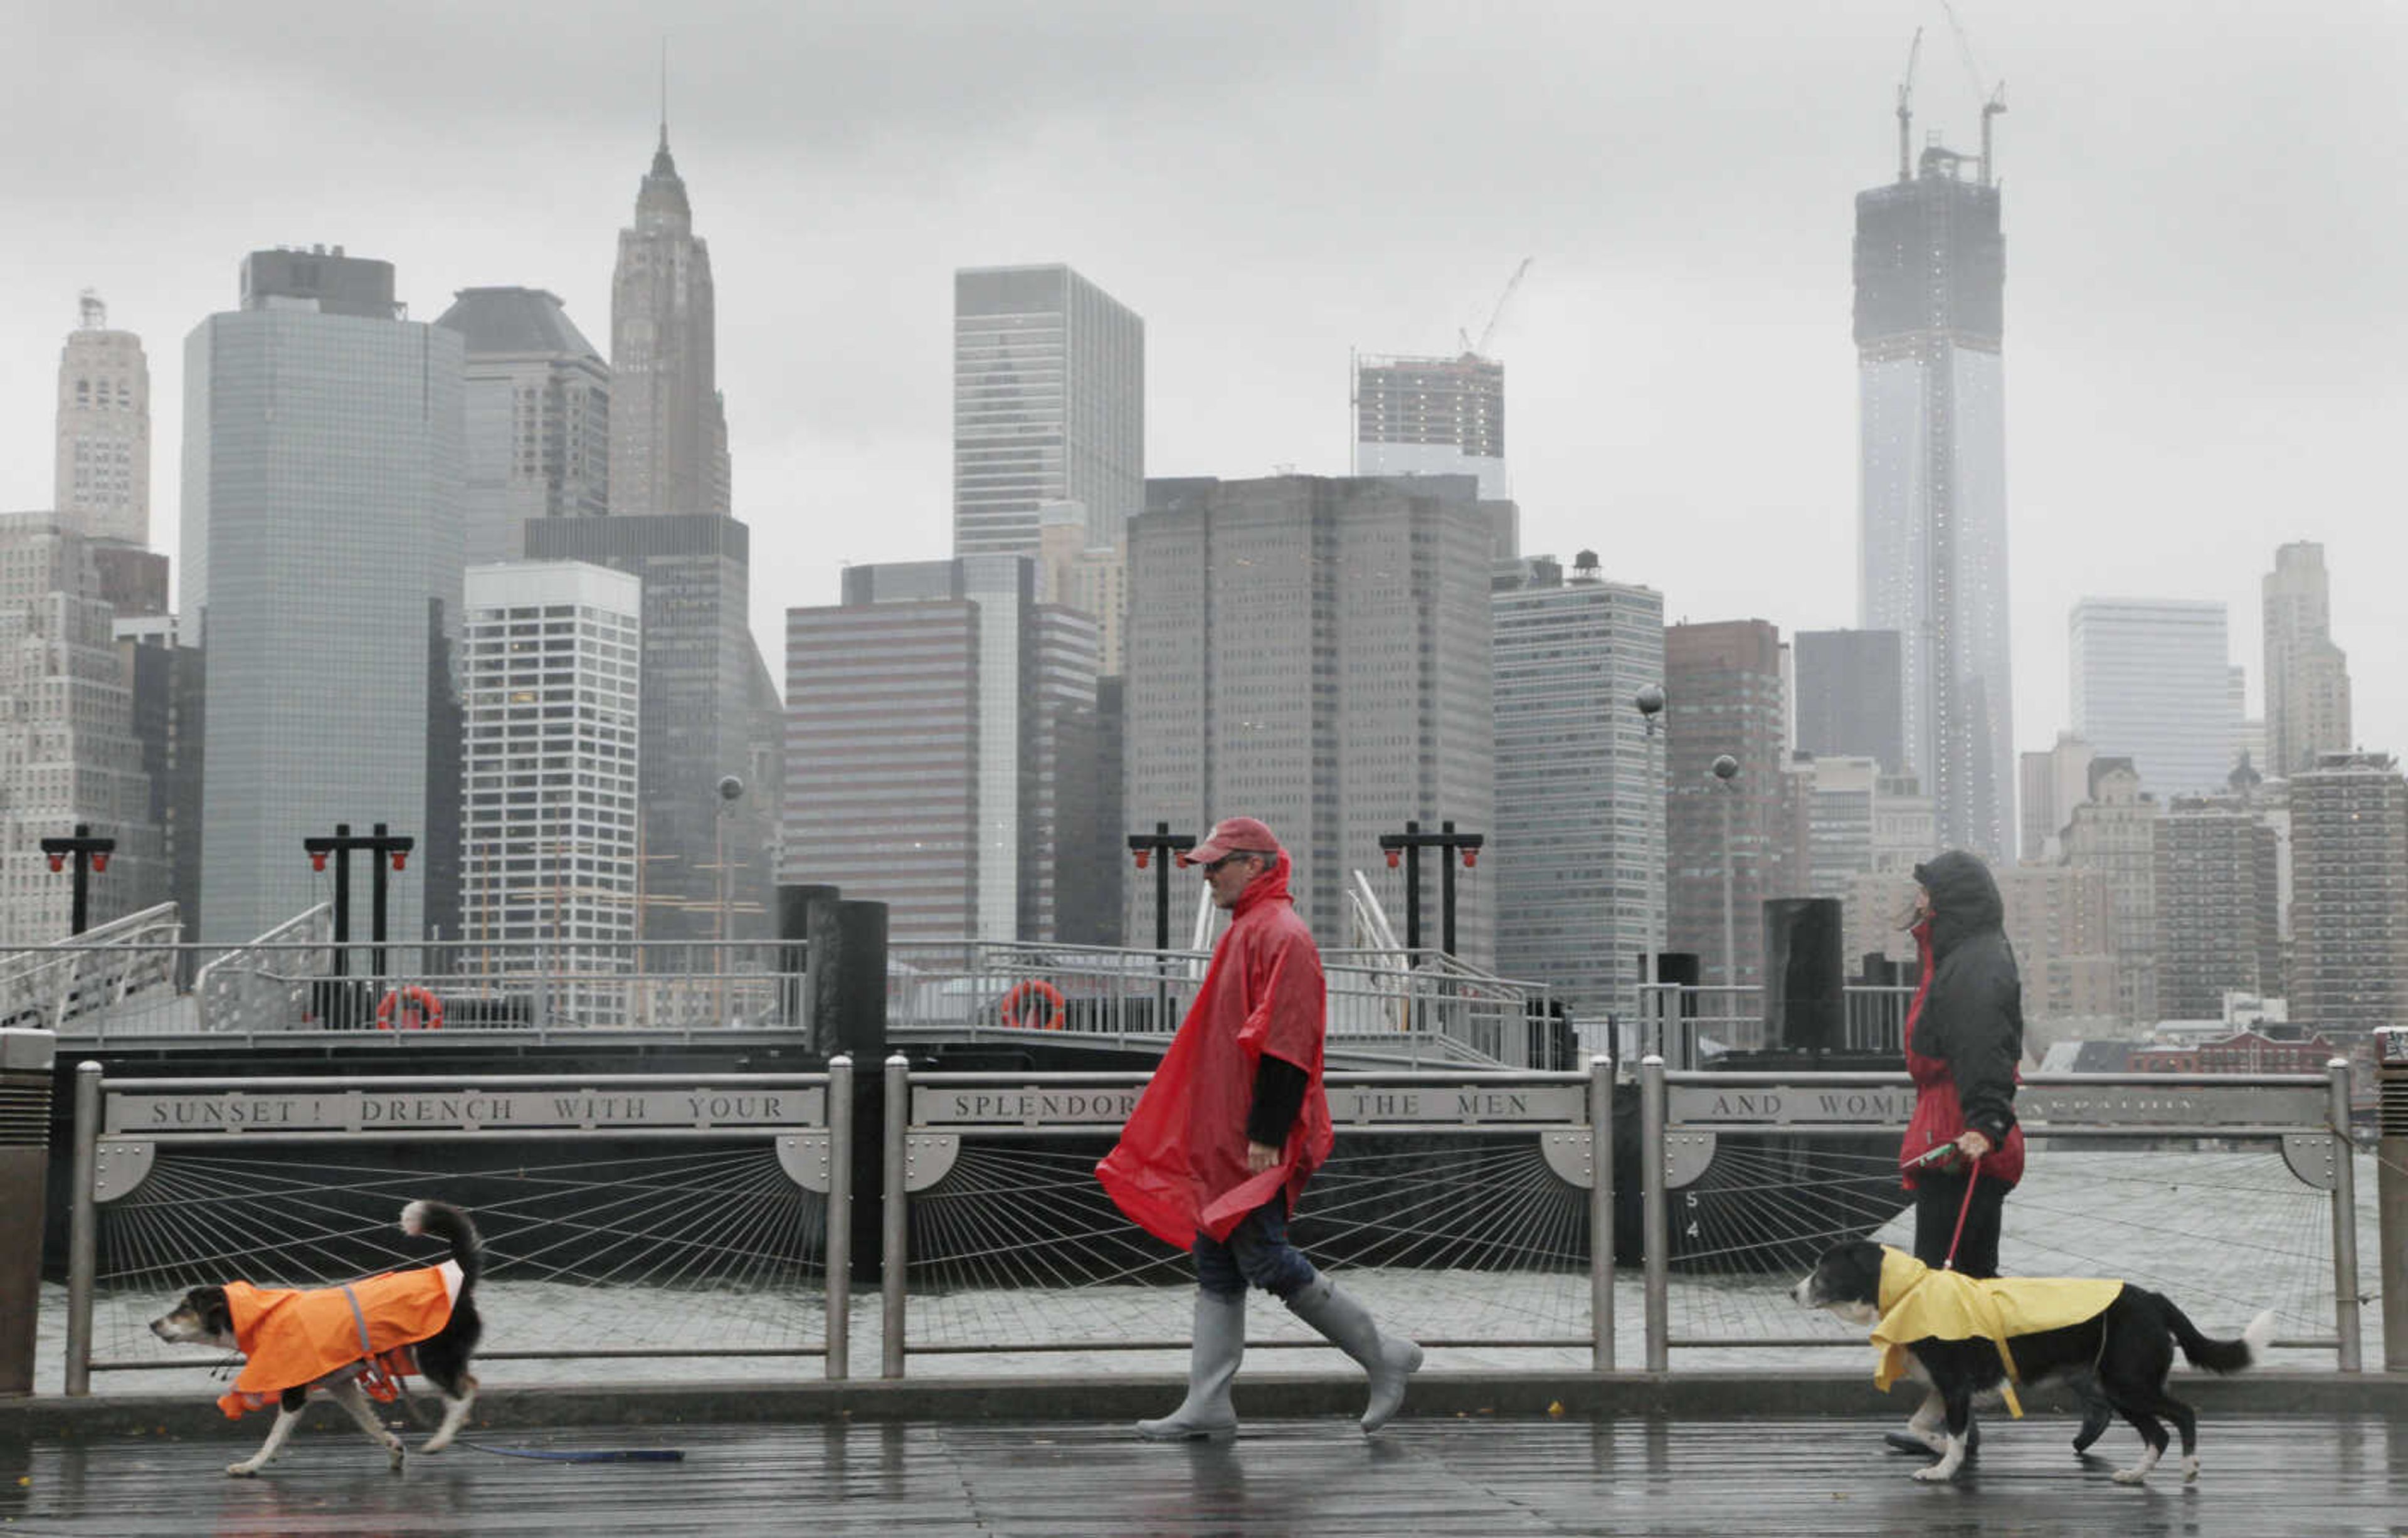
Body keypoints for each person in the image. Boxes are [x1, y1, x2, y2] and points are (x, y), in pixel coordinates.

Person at [1097, 816, 1423, 1441]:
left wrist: (1268, 1130)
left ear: (1257, 865)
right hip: (1229, 1135)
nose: (1209, 875)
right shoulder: (1257, 930)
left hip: (1252, 1134)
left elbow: (1288, 1042)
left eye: (1218, 863)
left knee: (1263, 1254)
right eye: (1207, 864)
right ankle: (1208, 1401)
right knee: (1217, 1258)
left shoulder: (1280, 935)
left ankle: (1382, 1353)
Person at [1884, 848, 2112, 1456]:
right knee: (1969, 1292)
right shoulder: (1958, 955)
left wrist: (1985, 1122)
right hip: (1953, 1137)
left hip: (1965, 1144)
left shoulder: (1974, 962)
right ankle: (1956, 1417)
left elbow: (1988, 1047)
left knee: (1948, 1292)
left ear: (1950, 900)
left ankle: (2078, 1379)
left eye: (1927, 891)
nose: (1919, 900)